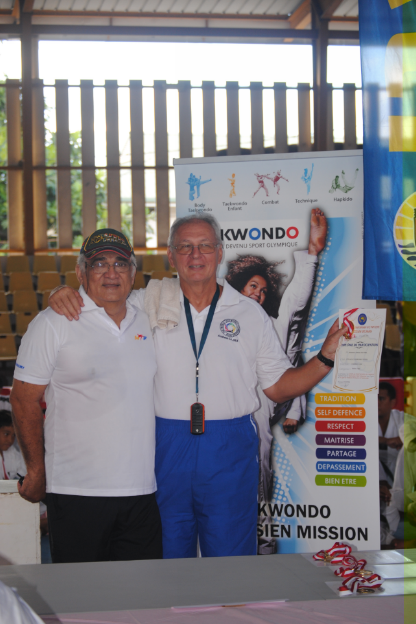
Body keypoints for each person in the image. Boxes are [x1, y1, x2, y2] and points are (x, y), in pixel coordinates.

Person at [48, 214, 347, 559]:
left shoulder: (249, 314)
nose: (195, 255)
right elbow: (100, 298)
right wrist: (61, 292)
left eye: (204, 246)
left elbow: (279, 387)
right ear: (171, 256)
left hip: (229, 446)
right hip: (164, 444)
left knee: (231, 556)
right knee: (166, 556)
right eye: (184, 247)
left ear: (219, 253)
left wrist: (324, 358)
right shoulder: (143, 304)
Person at [10, 228, 162, 563]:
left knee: (142, 591)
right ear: (81, 273)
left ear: (133, 273)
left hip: (141, 492)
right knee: (80, 593)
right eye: (99, 264)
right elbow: (23, 399)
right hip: (74, 491)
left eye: (120, 264)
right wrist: (36, 470)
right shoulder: (53, 323)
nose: (111, 273)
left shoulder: (148, 319)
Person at [226, 208, 327, 553]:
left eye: (263, 290)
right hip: (218, 422)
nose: (258, 293)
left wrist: (312, 254)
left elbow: (296, 303)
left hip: (259, 411)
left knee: (257, 486)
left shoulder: (272, 324)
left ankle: (264, 550)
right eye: (252, 286)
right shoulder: (217, 322)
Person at [378, 381, 405, 485]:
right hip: (373, 478)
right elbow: (358, 438)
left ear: (392, 402)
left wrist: (405, 439)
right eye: (374, 399)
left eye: (381, 399)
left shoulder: (402, 418)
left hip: (400, 476)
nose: (377, 403)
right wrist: (386, 441)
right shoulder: (362, 419)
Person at [0, 410, 26, 480]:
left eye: (13, 435)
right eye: (6, 434)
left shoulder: (12, 452)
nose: (10, 440)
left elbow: (23, 470)